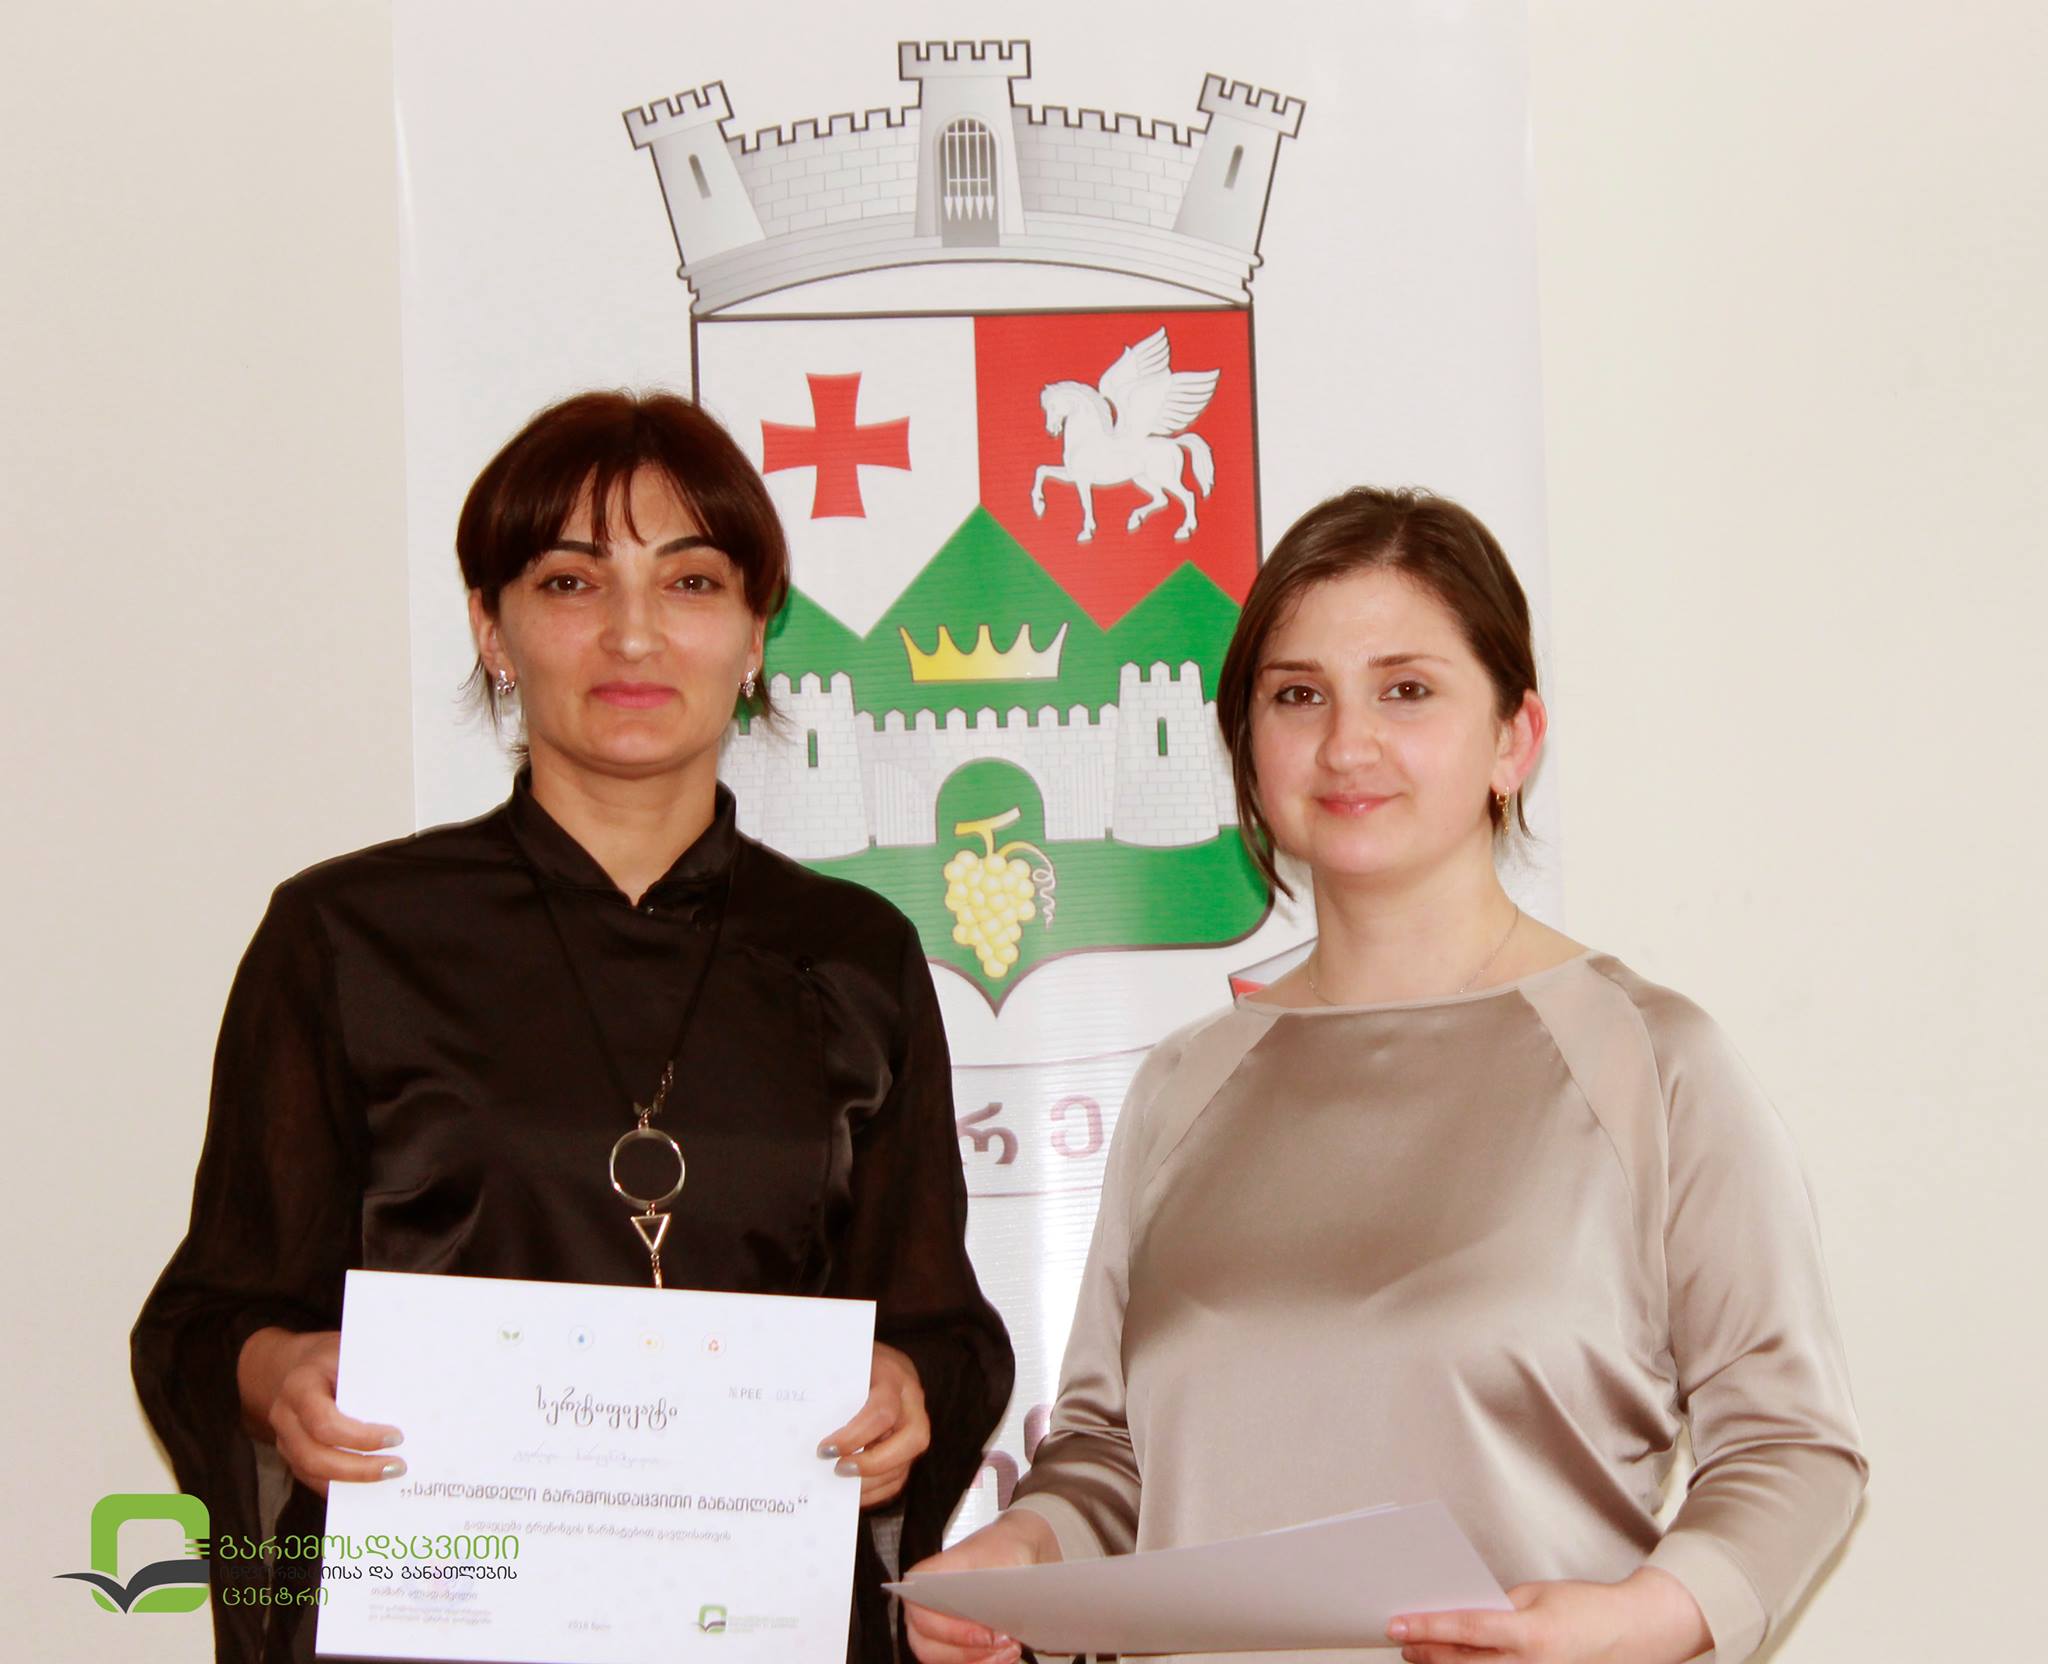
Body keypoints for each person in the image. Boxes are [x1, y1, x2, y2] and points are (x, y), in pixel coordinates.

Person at [904, 487, 1864, 1664]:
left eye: (1404, 690)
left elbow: (1790, 1445)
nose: (1344, 743)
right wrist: (1021, 1554)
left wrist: (1641, 1622)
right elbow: (1108, 1455)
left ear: (1513, 736)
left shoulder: (1650, 1061)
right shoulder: (1183, 1083)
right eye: (1296, 694)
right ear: (1246, 743)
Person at [132, 389, 1014, 1664]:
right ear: (491, 629)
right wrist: (278, 1378)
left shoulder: (852, 953)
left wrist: (903, 1390)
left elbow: (936, 1321)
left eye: (691, 581)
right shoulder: (347, 935)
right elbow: (208, 1315)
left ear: (757, 629)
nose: (632, 632)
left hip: (751, 1628)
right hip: (433, 1627)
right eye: (568, 581)